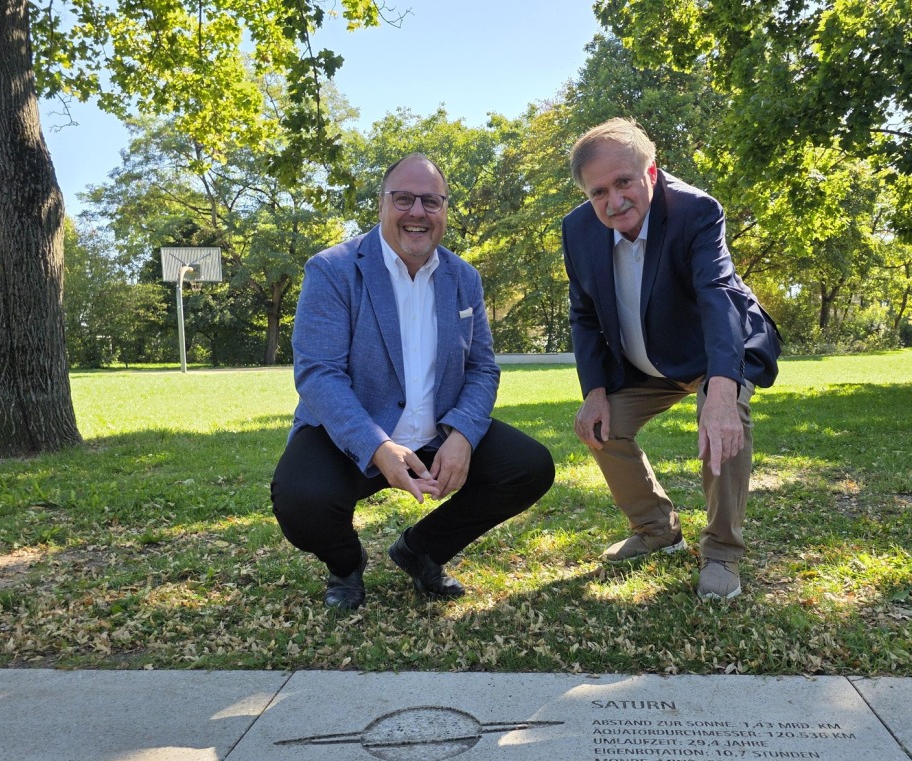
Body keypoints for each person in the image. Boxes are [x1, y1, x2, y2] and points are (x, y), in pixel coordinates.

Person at [271, 154, 555, 610]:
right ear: (381, 204)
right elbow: (318, 374)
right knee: (301, 499)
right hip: (350, 435)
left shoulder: (464, 278)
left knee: (528, 467)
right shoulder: (332, 269)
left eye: (431, 201)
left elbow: (482, 367)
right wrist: (377, 447)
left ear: (444, 210)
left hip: (435, 433)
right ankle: (346, 566)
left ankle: (421, 550)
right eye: (403, 199)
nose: (417, 212)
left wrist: (462, 434)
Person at [562, 119, 781, 601]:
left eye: (624, 182)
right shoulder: (577, 231)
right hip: (646, 363)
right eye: (599, 192)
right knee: (602, 426)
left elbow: (717, 295)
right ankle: (658, 529)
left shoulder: (695, 211)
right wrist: (594, 393)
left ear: (652, 172)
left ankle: (722, 551)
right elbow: (583, 315)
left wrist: (722, 393)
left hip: (714, 349)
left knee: (723, 418)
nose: (614, 201)